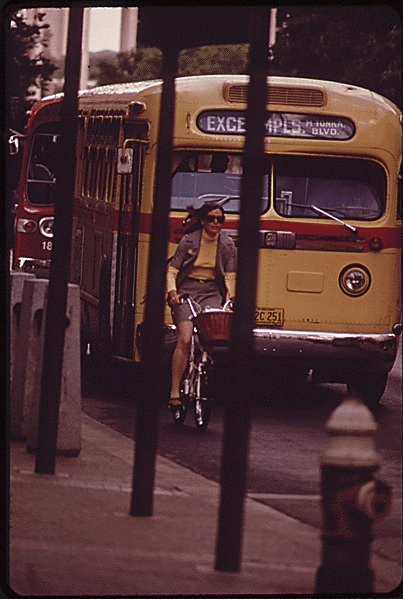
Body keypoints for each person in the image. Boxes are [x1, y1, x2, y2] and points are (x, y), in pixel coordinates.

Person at [166, 202, 236, 411]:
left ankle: (203, 373)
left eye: (220, 219)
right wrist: (172, 293)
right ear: (203, 221)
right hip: (186, 291)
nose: (216, 223)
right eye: (212, 219)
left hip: (211, 292)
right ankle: (174, 391)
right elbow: (172, 271)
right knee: (185, 339)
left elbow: (230, 276)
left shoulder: (227, 245)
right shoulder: (189, 241)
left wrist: (230, 299)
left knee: (212, 337)